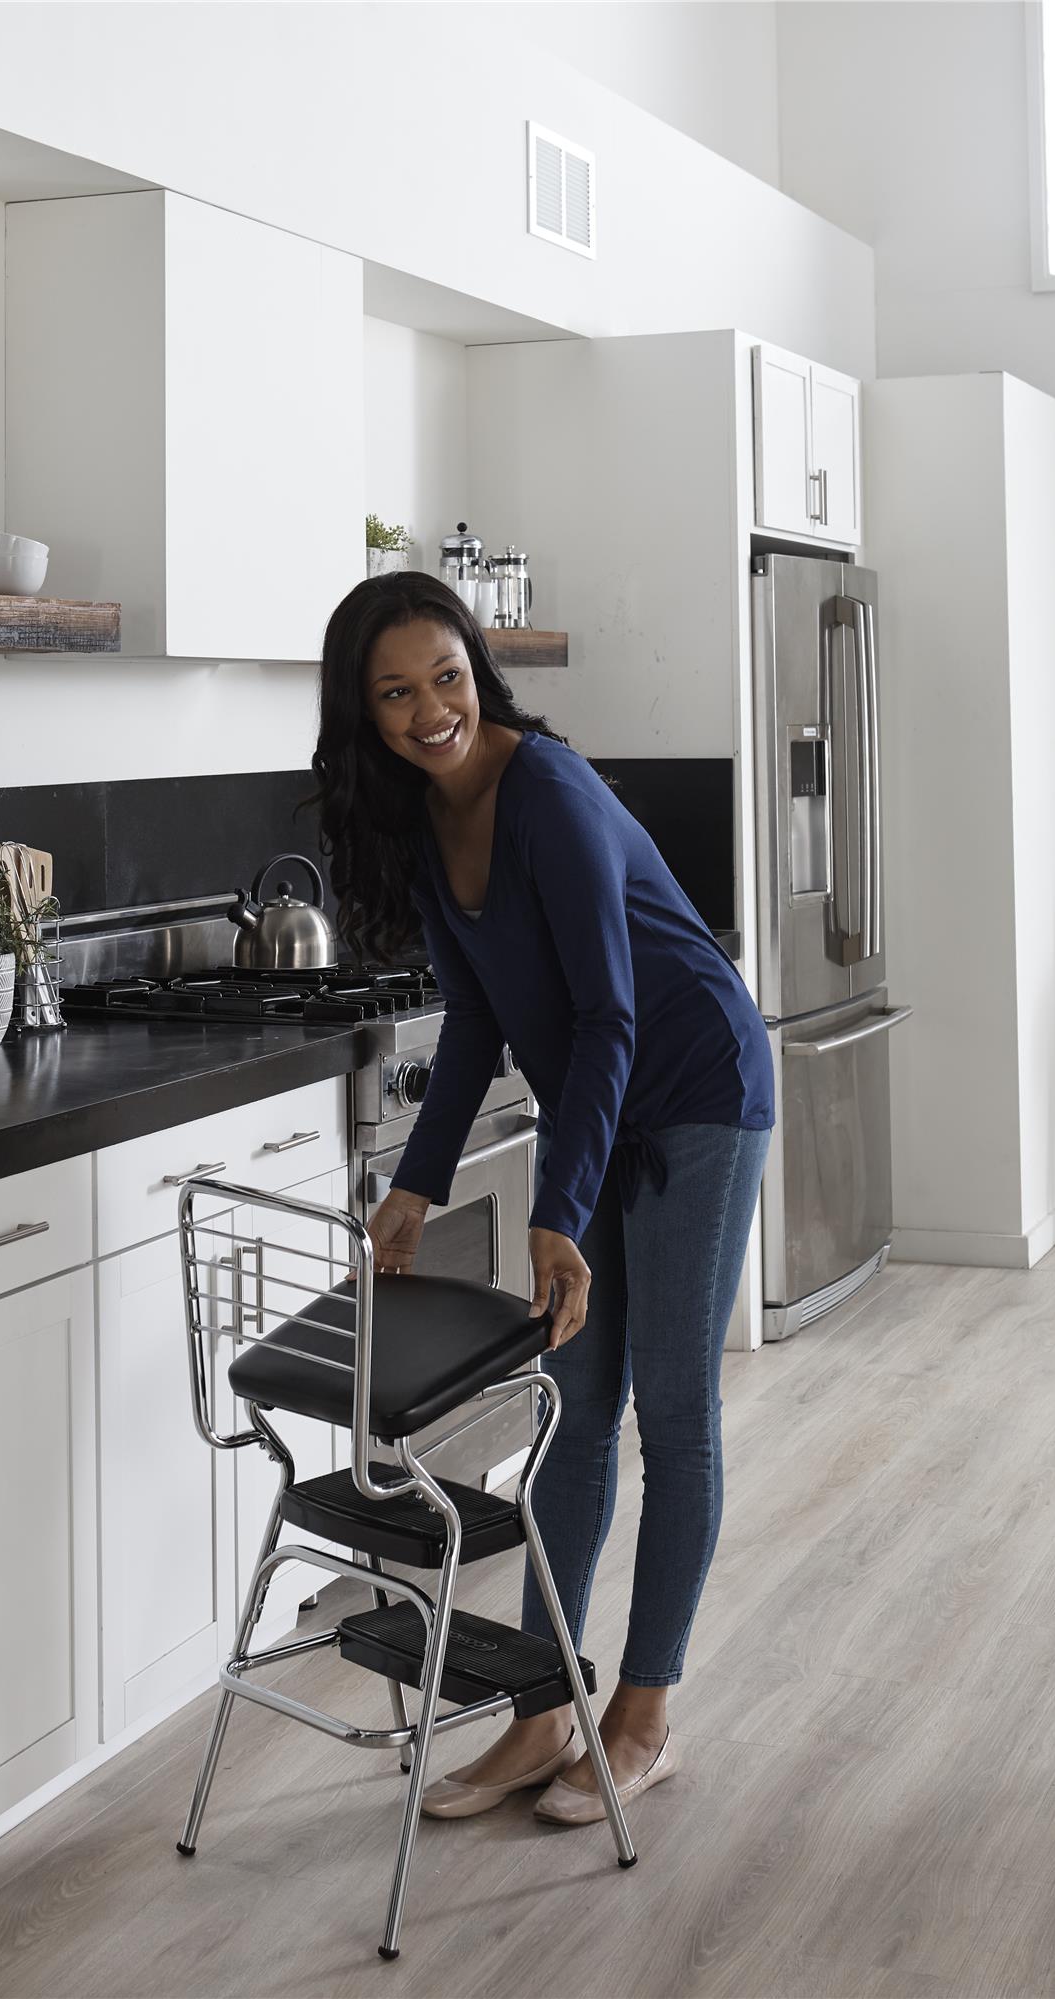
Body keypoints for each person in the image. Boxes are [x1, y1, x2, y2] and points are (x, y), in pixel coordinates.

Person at [311, 571, 773, 1827]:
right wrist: (416, 1186)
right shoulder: (421, 820)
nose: (430, 710)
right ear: (365, 714)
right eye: (396, 692)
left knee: (671, 1414)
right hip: (603, 1100)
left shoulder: (551, 795)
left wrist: (555, 1212)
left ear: (480, 668)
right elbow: (478, 1022)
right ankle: (541, 1711)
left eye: (446, 677)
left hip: (693, 1091)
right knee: (577, 1410)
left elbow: (608, 1015)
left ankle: (644, 1713)